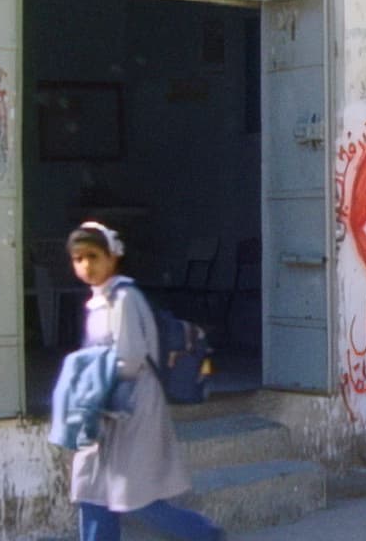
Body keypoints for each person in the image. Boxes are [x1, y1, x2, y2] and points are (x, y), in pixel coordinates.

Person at [60, 221, 225, 541]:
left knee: (133, 498)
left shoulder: (124, 299)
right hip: (106, 409)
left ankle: (204, 533)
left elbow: (130, 358)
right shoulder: (99, 299)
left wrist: (92, 392)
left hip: (131, 409)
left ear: (112, 257)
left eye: (93, 256)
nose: (86, 266)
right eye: (78, 259)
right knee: (93, 493)